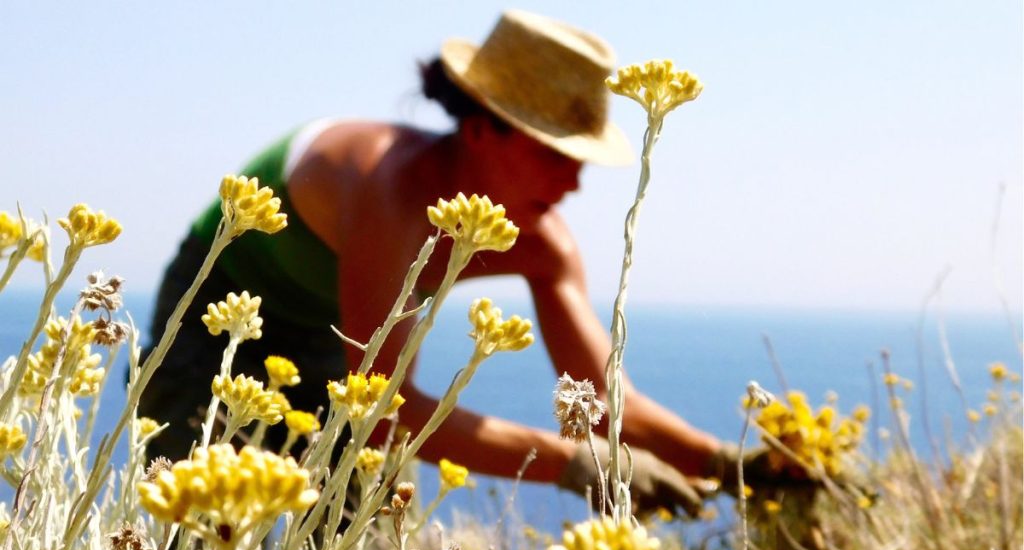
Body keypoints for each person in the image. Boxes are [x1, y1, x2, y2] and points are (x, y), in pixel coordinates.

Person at [140, 9, 776, 516]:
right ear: (481, 130)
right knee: (190, 528)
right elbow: (381, 413)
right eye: (556, 153)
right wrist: (569, 463)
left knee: (348, 543)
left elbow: (610, 404)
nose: (575, 181)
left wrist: (725, 460)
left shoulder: (542, 242)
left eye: (580, 157)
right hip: (217, 319)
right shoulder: (389, 192)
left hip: (343, 341)